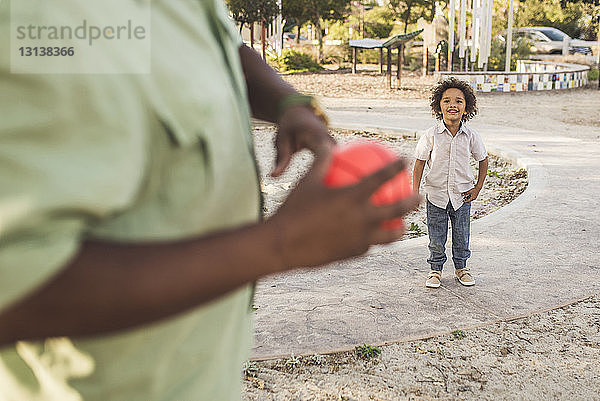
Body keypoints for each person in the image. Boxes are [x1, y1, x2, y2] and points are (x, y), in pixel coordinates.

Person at [0, 1, 420, 400]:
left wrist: (287, 102)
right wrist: (284, 242)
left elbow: (213, 46)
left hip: (200, 374)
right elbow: (14, 294)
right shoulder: (38, 16)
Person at [412, 77, 489, 289]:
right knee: (436, 237)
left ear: (467, 108)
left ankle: (461, 268)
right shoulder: (431, 135)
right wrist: (413, 192)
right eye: (446, 101)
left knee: (461, 235)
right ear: (439, 106)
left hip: (462, 196)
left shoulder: (471, 136)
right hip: (435, 195)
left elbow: (483, 159)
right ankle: (435, 270)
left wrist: (478, 187)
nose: (452, 105)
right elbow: (419, 164)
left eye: (458, 101)